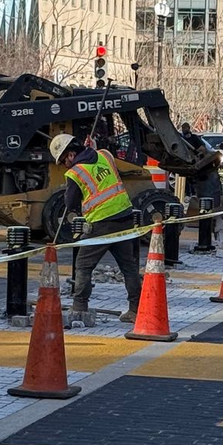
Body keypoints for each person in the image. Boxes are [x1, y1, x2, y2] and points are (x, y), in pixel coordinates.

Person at [51, 132, 141, 323]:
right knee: (128, 267)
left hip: (102, 222)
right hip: (125, 216)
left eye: (63, 161)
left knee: (84, 265)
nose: (64, 166)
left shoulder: (75, 173)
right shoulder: (104, 155)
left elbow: (71, 203)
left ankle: (80, 307)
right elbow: (99, 161)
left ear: (70, 155)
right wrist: (92, 147)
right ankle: (136, 309)